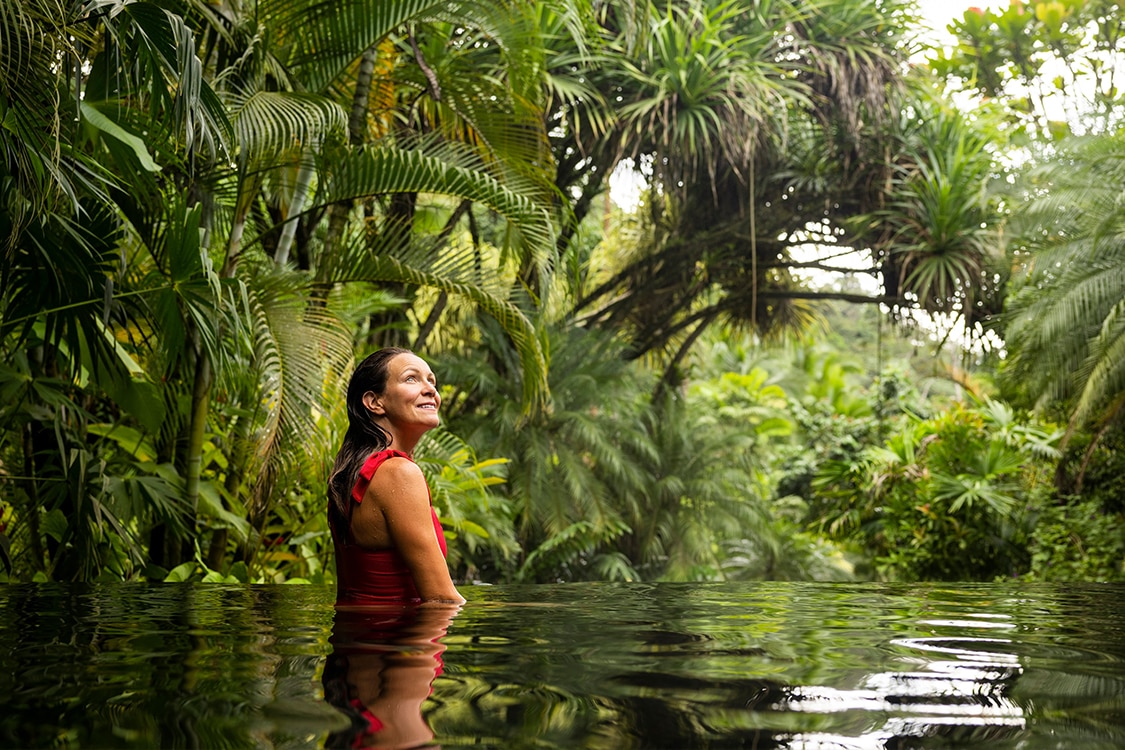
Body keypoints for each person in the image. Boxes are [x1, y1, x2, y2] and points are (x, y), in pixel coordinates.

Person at [327, 347, 465, 606]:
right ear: (374, 402)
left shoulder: (355, 473)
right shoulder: (398, 473)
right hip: (402, 643)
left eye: (431, 380)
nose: (430, 390)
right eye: (411, 378)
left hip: (362, 641)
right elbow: (441, 598)